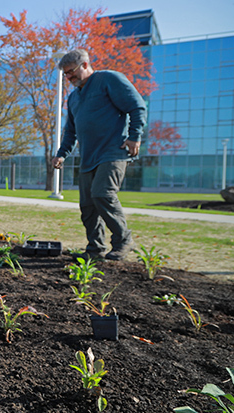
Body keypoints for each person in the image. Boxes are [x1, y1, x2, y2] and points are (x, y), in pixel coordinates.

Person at [51, 49, 147, 261]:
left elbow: (137, 106)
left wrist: (134, 136)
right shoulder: (74, 98)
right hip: (88, 157)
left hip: (113, 152)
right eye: (66, 74)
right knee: (87, 206)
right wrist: (61, 154)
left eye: (71, 72)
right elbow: (71, 131)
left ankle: (123, 241)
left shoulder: (108, 79)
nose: (68, 77)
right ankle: (95, 249)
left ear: (85, 65)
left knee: (103, 194)